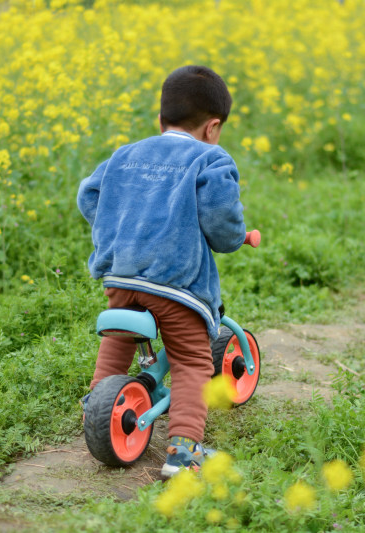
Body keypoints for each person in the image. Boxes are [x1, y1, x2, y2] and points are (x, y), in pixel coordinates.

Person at [77, 65, 249, 478]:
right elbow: (222, 222)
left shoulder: (125, 154)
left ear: (160, 120)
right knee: (192, 362)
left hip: (121, 277)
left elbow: (89, 195)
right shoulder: (210, 158)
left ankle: (95, 414)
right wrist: (234, 236)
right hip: (177, 286)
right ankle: (184, 451)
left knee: (116, 345)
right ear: (213, 127)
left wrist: (119, 229)